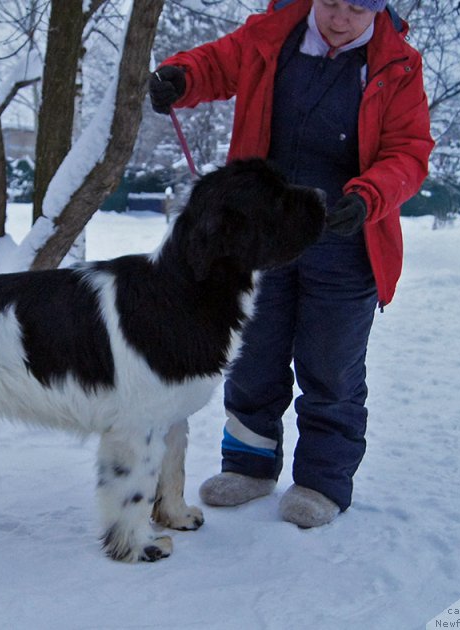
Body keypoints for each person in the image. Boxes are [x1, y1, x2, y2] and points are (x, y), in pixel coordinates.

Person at [149, 0, 433, 528]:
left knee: (331, 366)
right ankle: (250, 465)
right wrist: (182, 77)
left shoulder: (398, 67)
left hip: (346, 239)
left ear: (380, 9)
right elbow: (216, 62)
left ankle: (322, 481)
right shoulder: (272, 36)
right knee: (254, 357)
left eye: (356, 9)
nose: (340, 18)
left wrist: (370, 194)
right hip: (264, 237)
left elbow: (410, 152)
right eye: (331, 3)